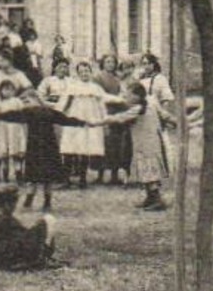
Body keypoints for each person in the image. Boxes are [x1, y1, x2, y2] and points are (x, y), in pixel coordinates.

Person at [0, 88, 99, 212]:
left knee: (32, 178)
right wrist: (84, 123)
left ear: (34, 99)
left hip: (35, 149)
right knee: (48, 177)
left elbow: (12, 116)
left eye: (27, 100)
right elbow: (66, 120)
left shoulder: (29, 112)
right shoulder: (49, 112)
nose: (25, 103)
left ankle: (29, 202)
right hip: (50, 148)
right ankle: (46, 203)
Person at [104, 80, 171, 211]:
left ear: (137, 96)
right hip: (150, 143)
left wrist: (100, 119)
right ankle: (150, 198)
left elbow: (120, 118)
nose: (126, 98)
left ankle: (157, 200)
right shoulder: (151, 102)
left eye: (128, 95)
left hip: (147, 145)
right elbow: (165, 115)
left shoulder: (137, 108)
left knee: (150, 171)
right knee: (146, 170)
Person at [0, 185, 61, 271]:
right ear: (7, 204)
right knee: (49, 219)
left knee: (41, 224)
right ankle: (43, 257)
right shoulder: (6, 220)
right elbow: (22, 240)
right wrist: (38, 229)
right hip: (14, 261)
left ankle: (43, 256)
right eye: (14, 203)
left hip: (0, 260)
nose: (15, 206)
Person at [58, 59, 110, 189]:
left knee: (85, 149)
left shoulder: (96, 88)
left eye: (86, 71)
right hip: (74, 118)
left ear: (91, 72)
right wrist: (58, 115)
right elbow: (64, 102)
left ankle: (82, 179)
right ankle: (66, 179)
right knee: (69, 148)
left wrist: (105, 120)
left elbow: (102, 105)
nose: (84, 74)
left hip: (90, 119)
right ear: (77, 74)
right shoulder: (72, 87)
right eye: (81, 72)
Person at [95, 53, 132, 186]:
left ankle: (114, 175)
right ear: (103, 63)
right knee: (102, 143)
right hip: (104, 110)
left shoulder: (118, 78)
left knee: (115, 145)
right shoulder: (98, 77)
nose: (110, 64)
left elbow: (123, 92)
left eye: (112, 62)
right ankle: (100, 174)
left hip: (117, 112)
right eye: (107, 62)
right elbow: (98, 94)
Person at [0, 76, 27, 184]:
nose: (8, 92)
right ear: (0, 91)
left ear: (14, 91)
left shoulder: (17, 101)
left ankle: (19, 175)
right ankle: (5, 176)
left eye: (10, 89)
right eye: (5, 89)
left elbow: (23, 113)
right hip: (2, 131)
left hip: (15, 130)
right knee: (4, 153)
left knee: (16, 153)